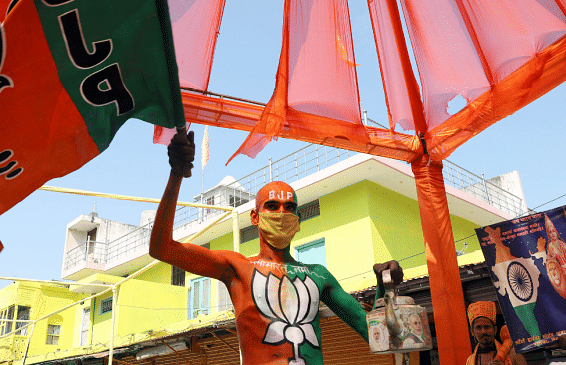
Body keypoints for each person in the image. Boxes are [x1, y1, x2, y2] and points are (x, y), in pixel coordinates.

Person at [150, 131, 404, 365]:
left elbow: (376, 334)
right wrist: (176, 176)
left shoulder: (318, 274)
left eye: (289, 208)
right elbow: (162, 249)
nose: (282, 213)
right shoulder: (238, 267)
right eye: (272, 206)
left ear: (298, 218)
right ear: (255, 217)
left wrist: (386, 288)